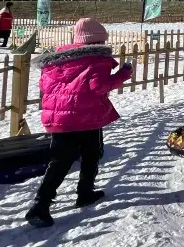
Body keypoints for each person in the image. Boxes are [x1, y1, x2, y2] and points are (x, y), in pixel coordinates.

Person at [25, 18, 133, 228]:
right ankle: (84, 193)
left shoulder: (56, 61)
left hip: (59, 118)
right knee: (92, 154)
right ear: (97, 41)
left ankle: (41, 204)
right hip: (86, 117)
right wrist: (124, 73)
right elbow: (99, 87)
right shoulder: (96, 59)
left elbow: (44, 87)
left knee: (59, 161)